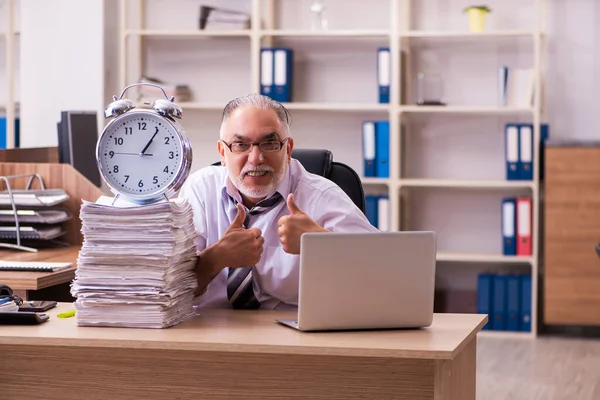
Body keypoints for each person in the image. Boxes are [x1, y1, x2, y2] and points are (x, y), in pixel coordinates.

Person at [178, 93, 379, 310]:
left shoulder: (320, 196)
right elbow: (167, 292)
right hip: (208, 332)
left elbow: (385, 274)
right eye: (240, 144)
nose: (256, 158)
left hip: (292, 334)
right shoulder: (199, 190)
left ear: (288, 149)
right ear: (223, 153)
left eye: (269, 143)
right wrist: (213, 259)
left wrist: (321, 245)